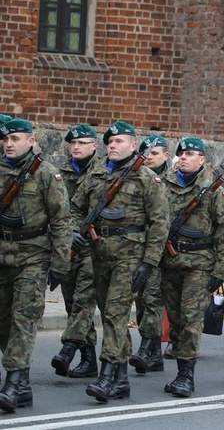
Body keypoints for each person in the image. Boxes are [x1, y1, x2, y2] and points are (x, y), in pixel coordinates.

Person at [71, 121, 170, 402]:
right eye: (110, 141)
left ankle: (105, 377)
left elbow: (160, 224)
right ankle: (122, 378)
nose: (113, 145)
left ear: (133, 144)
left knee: (115, 315)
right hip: (99, 255)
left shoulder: (147, 178)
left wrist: (148, 262)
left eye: (119, 141)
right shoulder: (96, 174)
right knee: (110, 315)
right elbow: (76, 207)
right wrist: (73, 232)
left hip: (130, 256)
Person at [0, 118, 71, 413]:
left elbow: (62, 220)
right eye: (6, 140)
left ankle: (13, 383)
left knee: (23, 318)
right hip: (3, 256)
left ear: (31, 141)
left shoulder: (45, 173)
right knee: (3, 320)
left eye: (15, 139)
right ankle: (24, 384)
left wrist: (60, 262)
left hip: (34, 256)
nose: (9, 144)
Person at [159, 138, 224, 397]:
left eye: (190, 154)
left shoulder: (213, 191)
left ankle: (186, 376)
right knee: (176, 320)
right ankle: (180, 366)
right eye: (181, 154)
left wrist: (220, 271)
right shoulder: (164, 187)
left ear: (202, 160)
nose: (184, 158)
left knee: (191, 320)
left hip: (199, 267)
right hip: (169, 264)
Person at [51, 125, 100, 380]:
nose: (76, 147)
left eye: (82, 143)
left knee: (83, 300)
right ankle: (89, 359)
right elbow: (58, 211)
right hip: (69, 248)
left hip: (95, 250)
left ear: (95, 146)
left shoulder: (103, 174)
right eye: (73, 143)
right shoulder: (61, 174)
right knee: (72, 303)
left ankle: (68, 348)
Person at [130, 135, 170, 374]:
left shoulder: (174, 182)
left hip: (162, 251)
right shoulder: (136, 180)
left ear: (166, 156)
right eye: (145, 154)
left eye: (154, 154)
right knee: (142, 301)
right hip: (137, 248)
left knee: (154, 299)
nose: (148, 158)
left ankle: (145, 348)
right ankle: (154, 355)